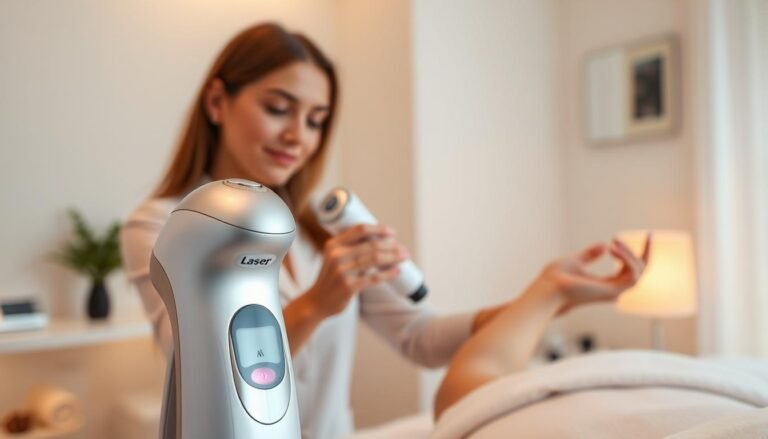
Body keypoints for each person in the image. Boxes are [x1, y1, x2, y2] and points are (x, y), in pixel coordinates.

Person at [119, 22, 650, 439]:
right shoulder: (167, 224)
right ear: (217, 102)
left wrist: (550, 293)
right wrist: (319, 301)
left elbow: (423, 339)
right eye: (278, 108)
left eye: (315, 119)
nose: (297, 136)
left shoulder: (319, 236)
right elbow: (188, 355)